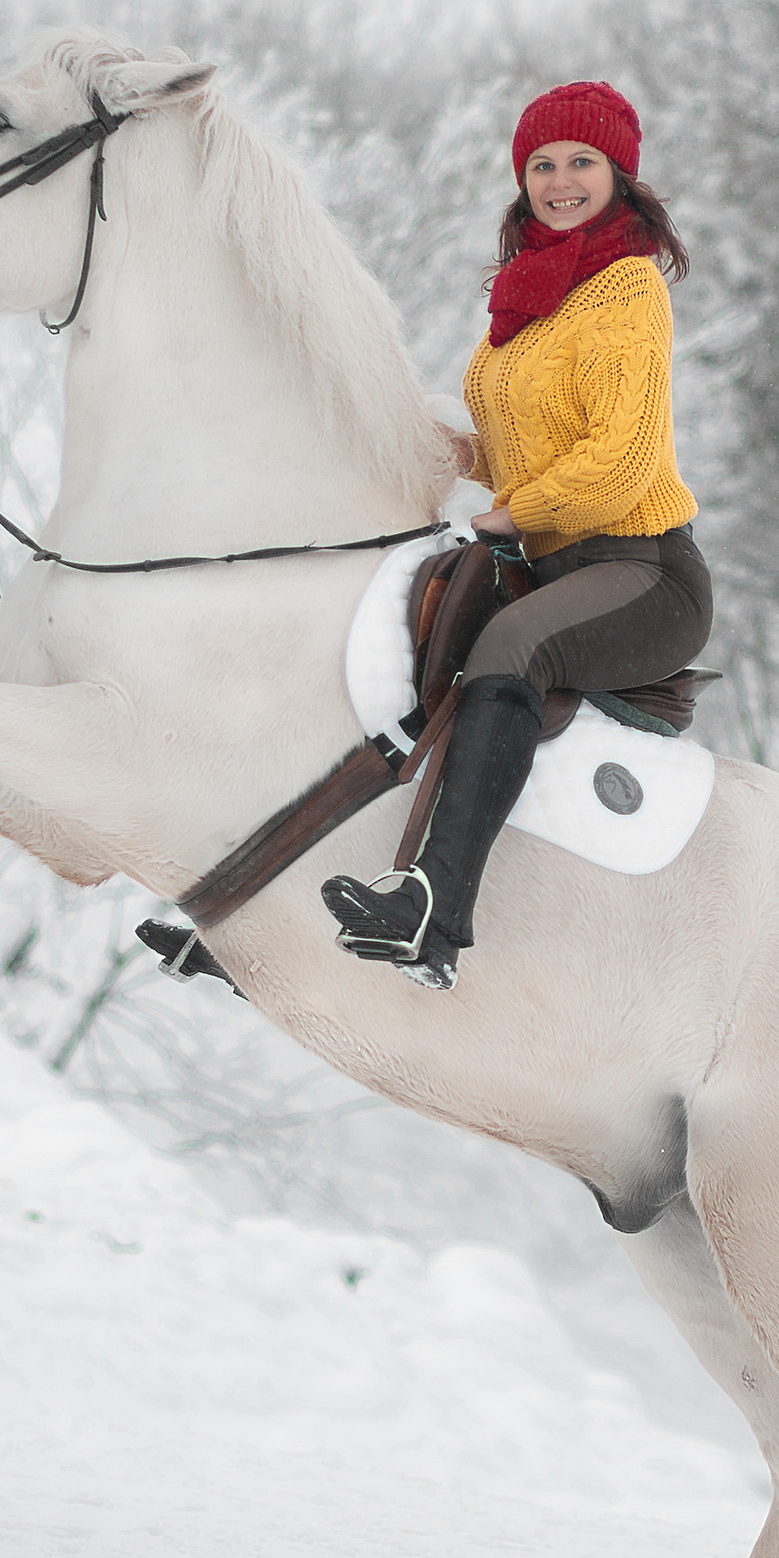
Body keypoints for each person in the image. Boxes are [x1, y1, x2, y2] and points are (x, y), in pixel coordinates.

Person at [326, 79, 711, 986]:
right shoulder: (526, 302)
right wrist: (438, 449)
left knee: (507, 646)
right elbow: (524, 453)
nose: (561, 179)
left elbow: (615, 463)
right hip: (550, 558)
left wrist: (512, 513)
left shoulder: (627, 289)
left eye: (581, 161)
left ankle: (436, 912)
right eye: (543, 163)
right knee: (405, 638)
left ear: (619, 175)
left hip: (642, 569)